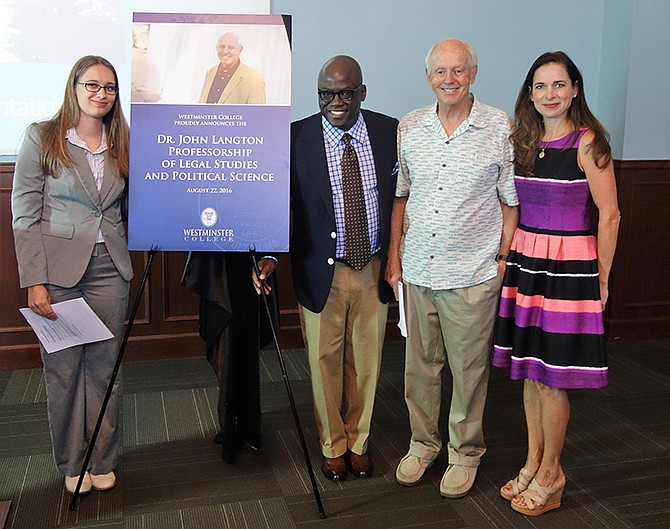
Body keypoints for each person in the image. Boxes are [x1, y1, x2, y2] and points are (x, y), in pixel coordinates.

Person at [386, 39, 519, 498]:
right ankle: (423, 444)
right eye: (441, 71)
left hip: (472, 275)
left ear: (473, 74)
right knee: (419, 369)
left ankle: (465, 454)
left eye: (458, 70)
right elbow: (402, 196)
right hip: (419, 271)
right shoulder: (410, 127)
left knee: (469, 372)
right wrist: (394, 258)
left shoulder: (499, 127)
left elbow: (510, 202)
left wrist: (501, 261)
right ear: (429, 77)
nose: (449, 79)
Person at [492, 51, 620, 516]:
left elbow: (611, 215)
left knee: (551, 381)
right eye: (541, 86)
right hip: (528, 262)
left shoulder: (588, 143)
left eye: (560, 85)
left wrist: (602, 280)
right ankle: (532, 462)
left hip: (569, 267)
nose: (551, 95)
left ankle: (552, 475)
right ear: (531, 93)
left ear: (575, 89)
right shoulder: (522, 141)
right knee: (528, 370)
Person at [11, 55, 133, 495]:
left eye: (110, 88)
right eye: (93, 85)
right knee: (63, 371)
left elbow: (129, 205)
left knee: (105, 369)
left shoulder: (122, 140)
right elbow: (24, 214)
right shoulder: (43, 137)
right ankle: (72, 461)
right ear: (75, 87)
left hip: (110, 270)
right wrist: (35, 280)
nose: (102, 94)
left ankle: (103, 459)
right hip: (58, 274)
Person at [290, 55, 398, 481]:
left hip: (373, 266)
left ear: (362, 93)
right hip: (321, 270)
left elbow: (403, 196)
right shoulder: (296, 137)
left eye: (345, 93)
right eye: (326, 94)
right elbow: (282, 207)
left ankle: (359, 441)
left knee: (367, 362)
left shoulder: (390, 131)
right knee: (324, 361)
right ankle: (332, 443)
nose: (336, 101)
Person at [182, 251, 278, 464]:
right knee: (224, 344)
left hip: (254, 254)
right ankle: (229, 423)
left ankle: (247, 424)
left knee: (247, 338)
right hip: (219, 262)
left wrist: (271, 254)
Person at [198, 31, 266, 104]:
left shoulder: (254, 78)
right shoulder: (210, 72)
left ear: (240, 50)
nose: (225, 51)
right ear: (216, 48)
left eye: (231, 47)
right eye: (222, 46)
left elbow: (257, 114)